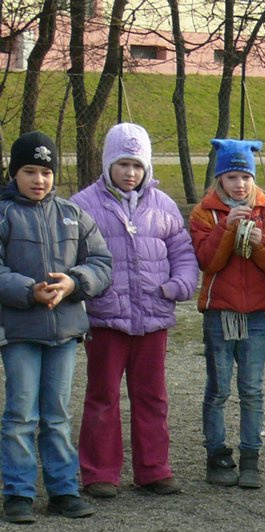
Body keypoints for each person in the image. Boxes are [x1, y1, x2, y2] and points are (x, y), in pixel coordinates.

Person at [71, 122, 199, 499]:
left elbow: (183, 253)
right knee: (102, 395)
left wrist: (178, 286)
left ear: (147, 168)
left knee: (152, 396)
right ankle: (99, 473)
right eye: (123, 164)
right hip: (105, 317)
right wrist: (88, 289)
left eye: (138, 165)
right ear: (108, 163)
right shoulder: (82, 206)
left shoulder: (164, 206)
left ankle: (154, 469)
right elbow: (73, 257)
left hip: (152, 316)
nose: (130, 173)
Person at [0, 131, 114, 524]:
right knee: (20, 414)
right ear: (14, 173)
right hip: (18, 332)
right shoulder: (3, 214)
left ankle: (63, 490)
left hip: (64, 331)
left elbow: (101, 262)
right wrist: (29, 291)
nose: (39, 180)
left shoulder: (74, 215)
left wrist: (73, 282)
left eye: (46, 172)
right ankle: (17, 493)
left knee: (57, 414)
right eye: (29, 171)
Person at [190, 138, 265, 489]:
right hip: (220, 313)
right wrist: (228, 226)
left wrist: (261, 242)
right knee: (218, 389)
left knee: (252, 389)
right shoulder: (204, 213)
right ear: (219, 179)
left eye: (245, 176)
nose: (240, 184)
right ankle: (217, 454)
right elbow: (209, 263)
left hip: (257, 314)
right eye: (232, 176)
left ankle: (251, 458)